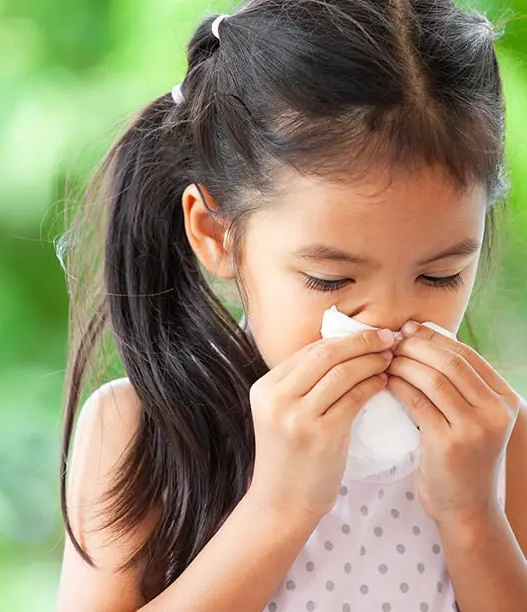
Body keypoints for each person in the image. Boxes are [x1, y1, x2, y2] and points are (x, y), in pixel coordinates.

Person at [55, 1, 527, 611]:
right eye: (330, 280)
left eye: (439, 275)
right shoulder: (140, 431)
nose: (386, 320)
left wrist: (472, 517)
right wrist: (280, 507)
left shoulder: (496, 438)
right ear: (217, 235)